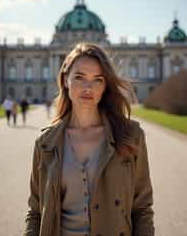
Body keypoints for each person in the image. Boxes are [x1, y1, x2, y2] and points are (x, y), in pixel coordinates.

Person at [24, 43, 155, 236]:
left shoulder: (130, 136)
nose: (88, 87)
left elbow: (142, 209)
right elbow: (36, 212)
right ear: (65, 80)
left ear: (105, 86)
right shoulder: (45, 142)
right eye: (79, 77)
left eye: (98, 80)